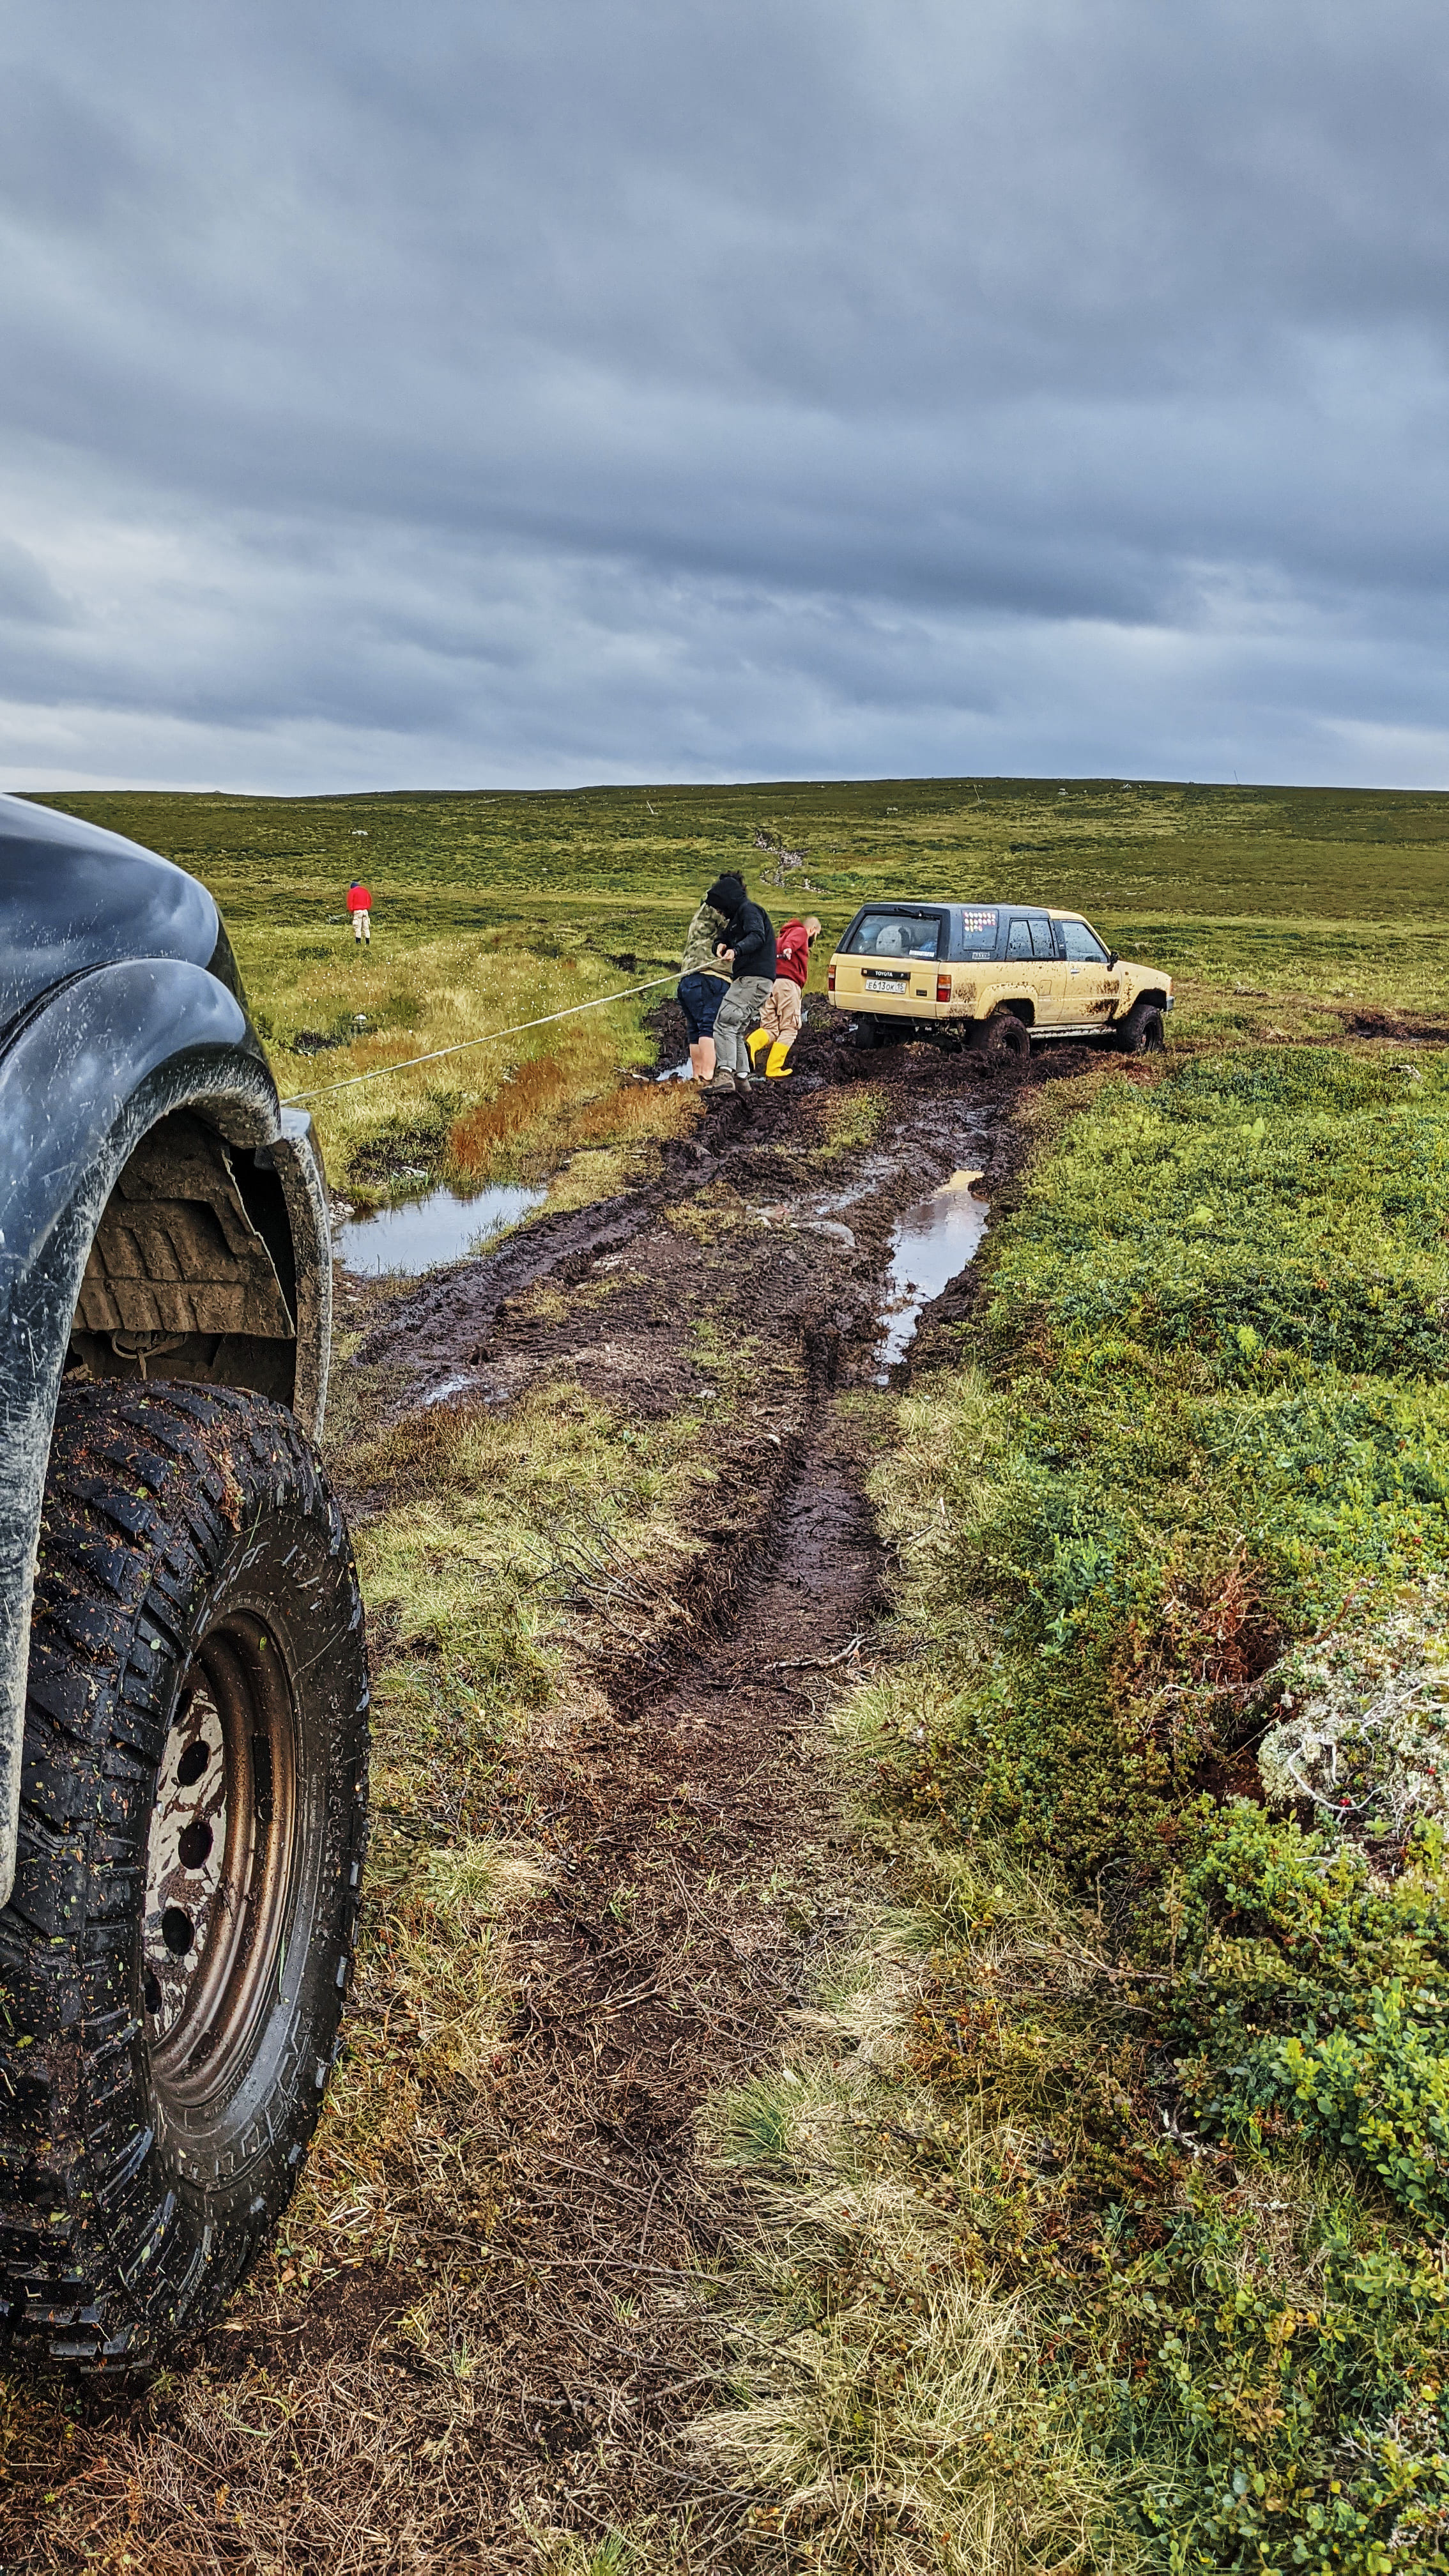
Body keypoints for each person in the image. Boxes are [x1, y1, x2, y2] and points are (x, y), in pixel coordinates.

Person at [701, 873, 774, 1104]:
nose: (719, 912)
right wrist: (721, 945)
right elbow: (722, 938)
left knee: (724, 1022)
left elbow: (757, 936)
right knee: (735, 1028)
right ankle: (742, 1080)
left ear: (728, 900)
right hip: (757, 981)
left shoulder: (749, 911)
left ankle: (724, 1075)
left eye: (720, 907)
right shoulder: (736, 919)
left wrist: (738, 950)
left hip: (752, 980)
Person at [747, 914, 820, 1078]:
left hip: (768, 985)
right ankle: (773, 1068)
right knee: (790, 1028)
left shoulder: (776, 940)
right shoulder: (801, 931)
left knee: (770, 1029)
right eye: (816, 935)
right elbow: (793, 941)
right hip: (787, 986)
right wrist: (789, 948)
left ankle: (750, 1045)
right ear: (813, 930)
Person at [675, 889, 732, 1082]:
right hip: (711, 976)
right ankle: (708, 1077)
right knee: (710, 1027)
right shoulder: (720, 914)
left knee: (695, 1029)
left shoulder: (700, 915)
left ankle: (696, 1075)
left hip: (687, 977)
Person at [346, 880, 372, 946]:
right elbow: (370, 900)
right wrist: (367, 908)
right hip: (365, 911)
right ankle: (367, 943)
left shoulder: (352, 891)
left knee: (357, 927)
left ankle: (358, 943)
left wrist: (351, 910)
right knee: (366, 927)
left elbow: (350, 901)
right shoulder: (365, 890)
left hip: (358, 911)